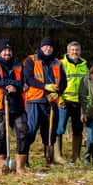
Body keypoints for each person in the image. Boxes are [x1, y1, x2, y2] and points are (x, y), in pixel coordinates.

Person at [0, 38, 28, 174]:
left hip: (17, 105)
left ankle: (20, 166)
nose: (7, 53)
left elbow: (25, 83)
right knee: (0, 135)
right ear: (0, 52)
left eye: (9, 50)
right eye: (5, 50)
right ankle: (2, 165)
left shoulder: (18, 66)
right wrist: (14, 83)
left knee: (23, 132)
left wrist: (14, 86)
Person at [23, 37, 67, 166]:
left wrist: (57, 93)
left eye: (50, 46)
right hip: (34, 101)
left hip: (51, 102)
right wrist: (44, 86)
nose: (48, 49)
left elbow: (63, 82)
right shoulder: (31, 60)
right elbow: (28, 78)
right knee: (30, 131)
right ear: (41, 47)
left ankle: (49, 159)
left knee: (50, 132)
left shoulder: (57, 63)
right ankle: (24, 159)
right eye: (45, 46)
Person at [57, 41, 88, 164]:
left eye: (77, 50)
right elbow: (56, 83)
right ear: (68, 51)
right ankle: (57, 155)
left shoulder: (84, 66)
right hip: (64, 102)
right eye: (73, 50)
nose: (75, 52)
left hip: (78, 103)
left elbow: (86, 86)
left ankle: (76, 156)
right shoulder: (61, 64)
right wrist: (59, 99)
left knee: (78, 129)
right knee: (60, 129)